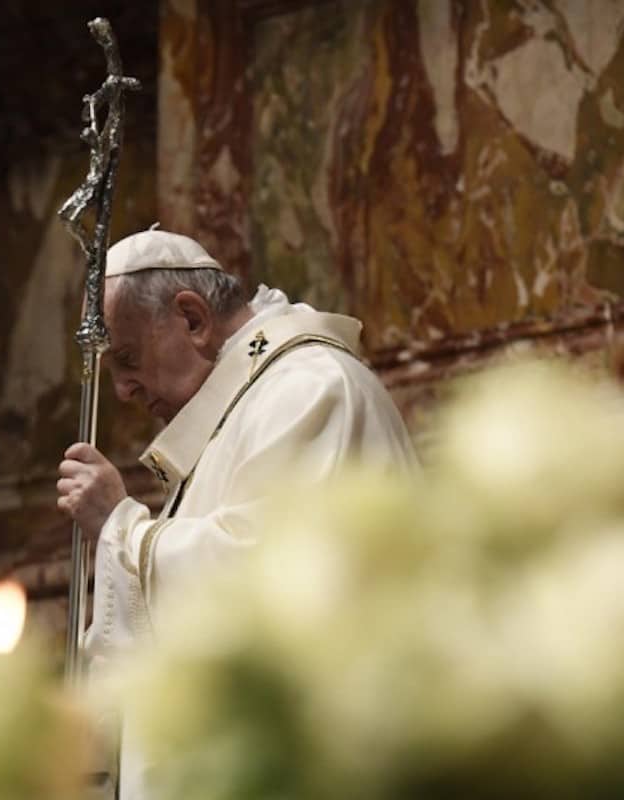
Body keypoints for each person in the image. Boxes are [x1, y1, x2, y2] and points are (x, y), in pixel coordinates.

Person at [55, 228, 418, 799]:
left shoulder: (309, 389)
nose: (122, 389)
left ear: (193, 319)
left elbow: (270, 583)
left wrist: (120, 527)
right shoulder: (248, 406)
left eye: (126, 358)